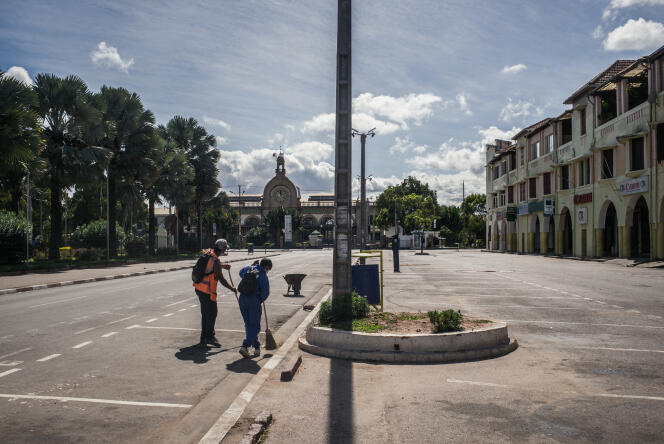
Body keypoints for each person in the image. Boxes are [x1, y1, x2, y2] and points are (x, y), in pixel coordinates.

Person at [193, 239, 236, 348]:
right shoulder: (215, 261)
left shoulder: (208, 253)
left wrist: (222, 265)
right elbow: (220, 278)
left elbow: (209, 267)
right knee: (212, 313)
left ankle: (204, 337)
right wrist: (232, 288)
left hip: (199, 287)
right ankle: (210, 337)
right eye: (225, 248)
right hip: (206, 290)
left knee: (206, 314)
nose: (225, 250)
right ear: (222, 249)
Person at [238, 258, 272, 358]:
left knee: (249, 324)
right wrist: (259, 300)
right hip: (253, 301)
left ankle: (256, 347)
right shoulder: (262, 275)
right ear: (266, 267)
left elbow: (240, 273)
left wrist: (252, 265)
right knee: (255, 326)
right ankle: (245, 345)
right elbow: (265, 293)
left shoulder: (249, 269)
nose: (268, 271)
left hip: (242, 299)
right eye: (268, 269)